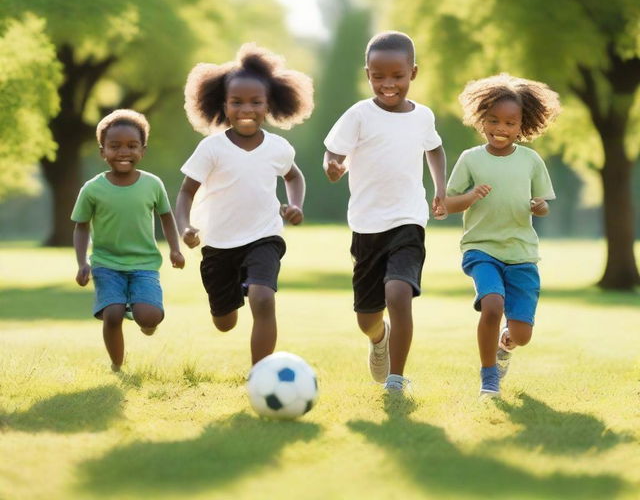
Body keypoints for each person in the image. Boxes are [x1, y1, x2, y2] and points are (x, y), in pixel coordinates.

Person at [323, 30, 447, 394]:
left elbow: (435, 149)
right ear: (368, 75)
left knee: (398, 292)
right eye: (379, 77)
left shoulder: (422, 116)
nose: (388, 84)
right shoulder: (359, 115)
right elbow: (333, 151)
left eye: (397, 76)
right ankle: (379, 339)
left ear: (413, 73)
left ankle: (396, 378)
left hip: (408, 219)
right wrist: (333, 165)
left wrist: (440, 188)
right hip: (366, 225)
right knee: (367, 318)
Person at [175, 43, 313, 367]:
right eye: (236, 102)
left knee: (263, 299)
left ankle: (260, 374)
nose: (246, 109)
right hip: (219, 244)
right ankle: (233, 288)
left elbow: (294, 177)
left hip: (264, 237)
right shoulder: (211, 149)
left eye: (255, 102)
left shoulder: (279, 148)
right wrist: (185, 226)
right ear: (223, 105)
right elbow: (185, 192)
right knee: (225, 322)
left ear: (269, 105)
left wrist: (295, 205)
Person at [445, 73, 561, 397]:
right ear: (481, 118)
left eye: (510, 123)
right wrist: (469, 198)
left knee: (522, 334)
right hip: (481, 249)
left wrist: (539, 207)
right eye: (493, 120)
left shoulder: (531, 160)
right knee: (492, 305)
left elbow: (543, 204)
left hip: (522, 254)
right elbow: (446, 204)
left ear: (523, 125)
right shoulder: (471, 159)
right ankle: (489, 377)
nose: (501, 129)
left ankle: (506, 345)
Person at [71, 109, 185, 372]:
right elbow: (81, 226)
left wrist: (175, 250)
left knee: (150, 316)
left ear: (142, 151)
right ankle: (117, 365)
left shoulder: (152, 185)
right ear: (103, 151)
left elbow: (166, 217)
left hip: (144, 264)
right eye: (115, 146)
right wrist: (81, 263)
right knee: (112, 314)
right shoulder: (92, 189)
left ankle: (142, 313)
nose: (124, 152)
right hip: (106, 263)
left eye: (132, 146)